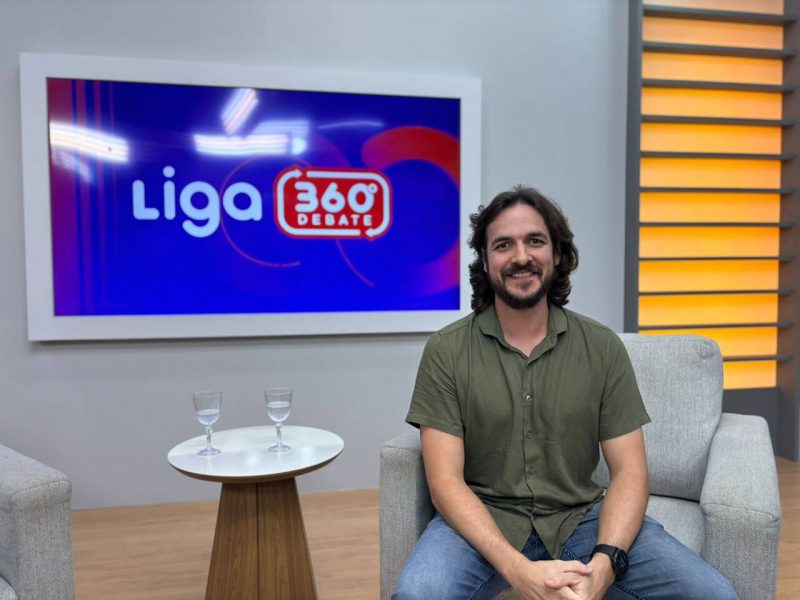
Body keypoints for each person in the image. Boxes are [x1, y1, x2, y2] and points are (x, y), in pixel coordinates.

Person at [394, 186, 737, 600]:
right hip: (482, 522)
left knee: (714, 594)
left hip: (581, 518)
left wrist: (605, 564)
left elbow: (629, 472)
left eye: (535, 241)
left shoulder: (602, 347)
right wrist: (519, 571)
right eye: (503, 245)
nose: (521, 257)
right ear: (485, 260)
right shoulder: (446, 351)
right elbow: (445, 482)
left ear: (557, 254)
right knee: (419, 594)